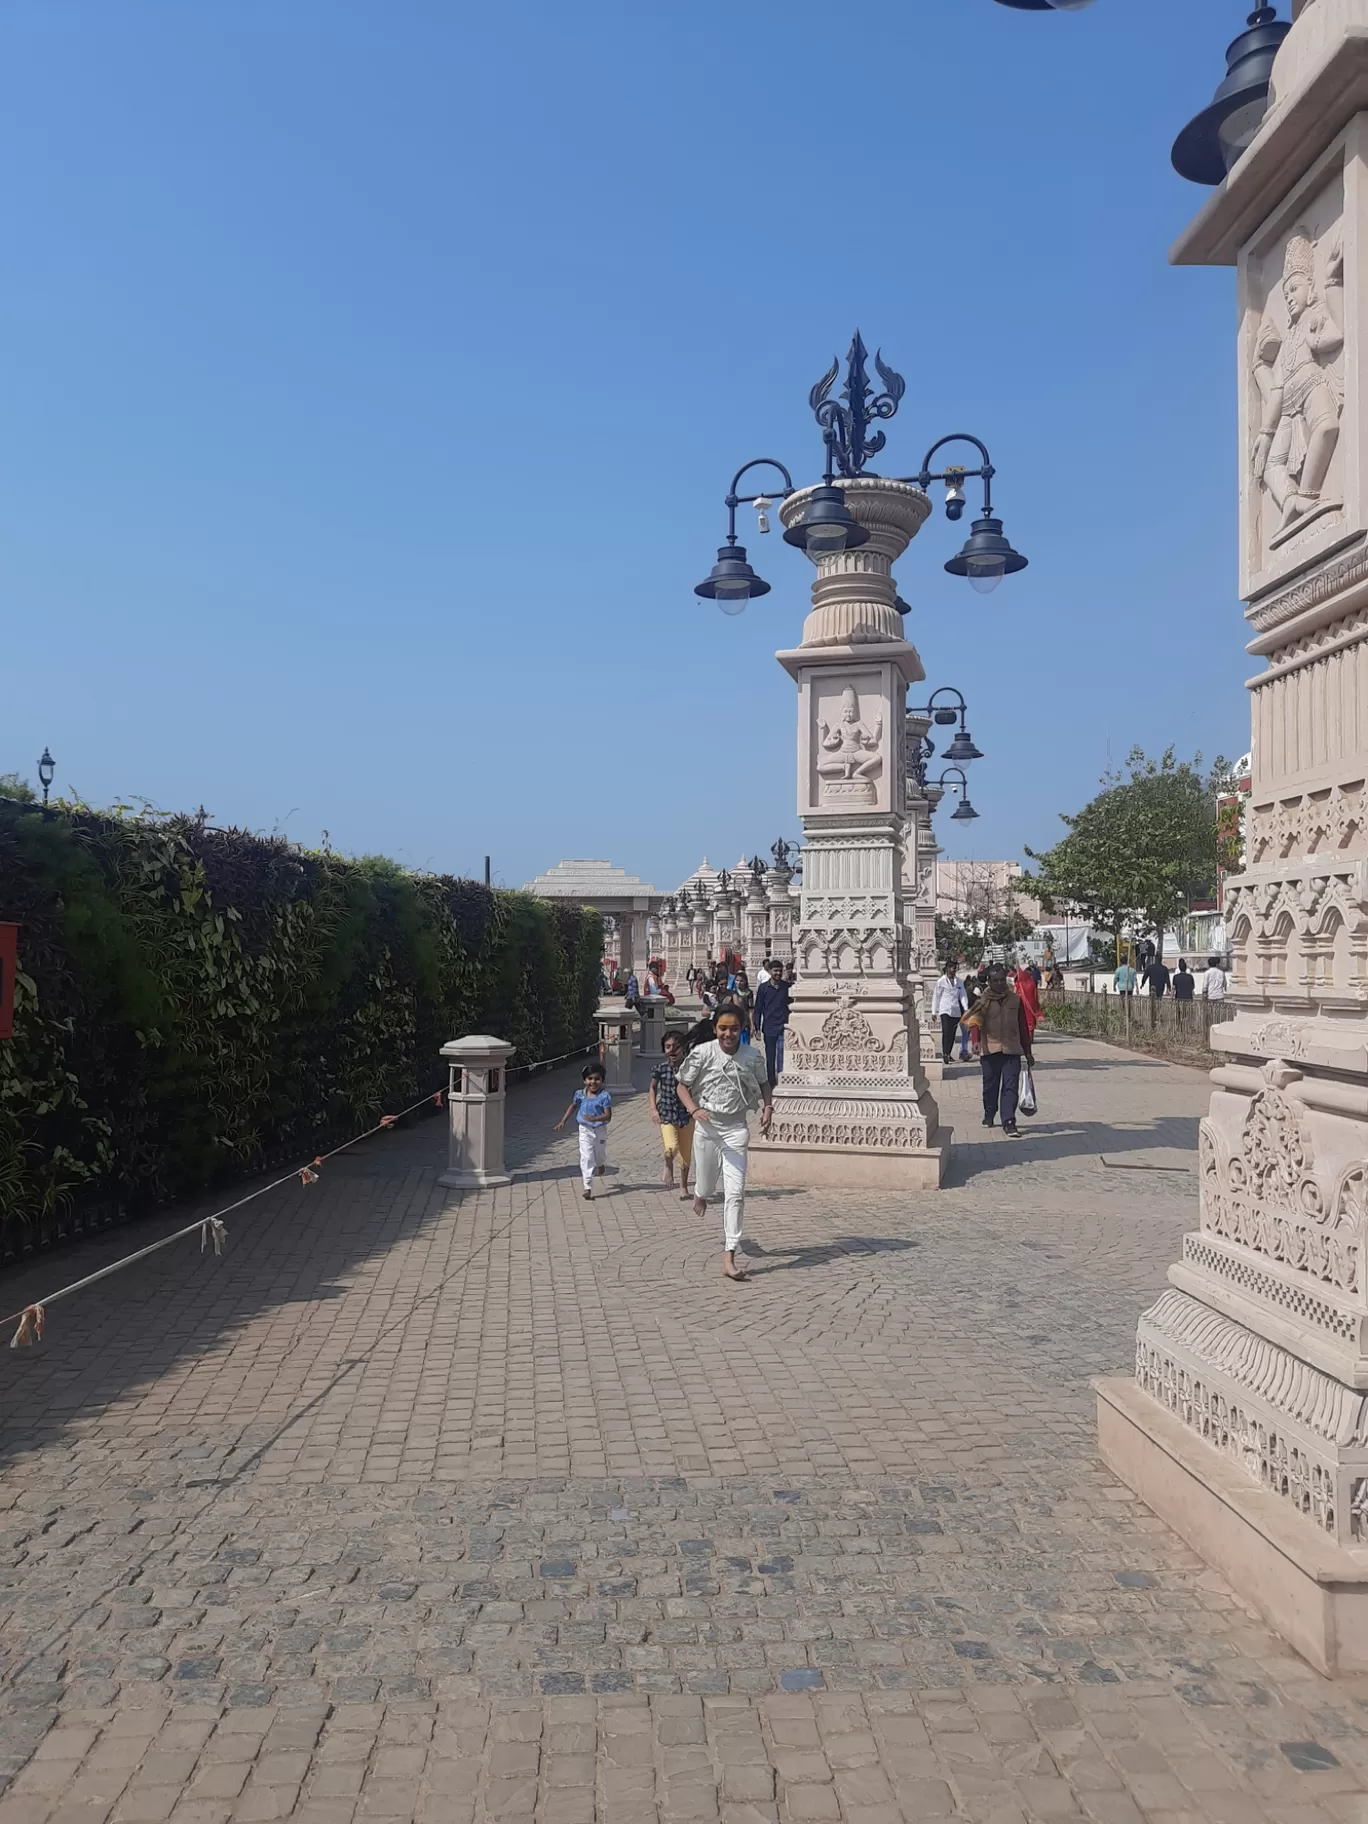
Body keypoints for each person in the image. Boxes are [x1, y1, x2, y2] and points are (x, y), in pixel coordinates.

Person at [676, 1005, 773, 1282]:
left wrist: (768, 1107)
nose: (728, 1034)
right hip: (707, 1129)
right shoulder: (703, 1053)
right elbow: (682, 1085)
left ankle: (729, 1255)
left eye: (734, 1028)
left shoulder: (752, 1056)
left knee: (735, 1192)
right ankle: (701, 1193)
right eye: (722, 1028)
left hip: (736, 1130)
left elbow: (764, 1083)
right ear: (715, 1028)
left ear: (742, 1029)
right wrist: (694, 1110)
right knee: (705, 1184)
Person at [966, 963, 1034, 1138]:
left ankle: (1009, 1121)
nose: (999, 984)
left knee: (1010, 1087)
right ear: (989, 981)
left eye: (1002, 980)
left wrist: (1028, 1051)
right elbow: (975, 1022)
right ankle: (989, 1113)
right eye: (995, 981)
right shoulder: (983, 1001)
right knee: (990, 1087)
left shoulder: (1015, 1000)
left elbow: (1023, 1027)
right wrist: (975, 1041)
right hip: (990, 1050)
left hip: (1012, 1049)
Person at [554, 1062, 613, 1200]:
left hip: (599, 1129)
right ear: (584, 1080)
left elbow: (608, 1116)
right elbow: (573, 1106)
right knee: (586, 1157)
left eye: (597, 1079)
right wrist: (563, 1120)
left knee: (599, 1155)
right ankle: (587, 1187)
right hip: (584, 1130)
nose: (593, 1082)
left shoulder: (605, 1096)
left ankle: (600, 1164)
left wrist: (595, 1118)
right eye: (590, 1079)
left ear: (602, 1081)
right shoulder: (579, 1094)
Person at [650, 1030, 695, 1199]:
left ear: (684, 1049)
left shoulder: (692, 1069)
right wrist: (653, 1108)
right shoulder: (660, 1069)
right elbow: (652, 1087)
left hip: (686, 1116)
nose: (672, 1050)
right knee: (671, 1147)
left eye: (676, 1047)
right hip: (667, 1114)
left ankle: (683, 1187)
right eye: (668, 1047)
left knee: (685, 1155)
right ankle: (668, 1164)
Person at [753, 967, 791, 1083]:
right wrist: (756, 1027)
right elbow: (758, 1008)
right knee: (770, 1056)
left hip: (783, 1025)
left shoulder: (786, 987)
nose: (778, 973)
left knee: (781, 1055)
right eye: (775, 971)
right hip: (769, 1027)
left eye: (779, 971)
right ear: (770, 972)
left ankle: (781, 1079)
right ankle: (771, 1081)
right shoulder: (763, 988)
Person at [931, 962, 968, 1065]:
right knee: (946, 1031)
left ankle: (948, 1052)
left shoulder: (959, 982)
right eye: (951, 967)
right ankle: (945, 1054)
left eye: (954, 968)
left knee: (952, 1033)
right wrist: (934, 1011)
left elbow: (963, 996)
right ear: (947, 968)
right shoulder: (941, 982)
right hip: (945, 1009)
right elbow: (936, 996)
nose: (953, 970)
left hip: (956, 1011)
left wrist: (965, 1008)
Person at [1014, 960, 1042, 1045]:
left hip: (1022, 1005)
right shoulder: (1032, 983)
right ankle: (1030, 1039)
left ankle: (1023, 1039)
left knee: (1022, 1021)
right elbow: (1035, 996)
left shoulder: (1019, 983)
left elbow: (1015, 993)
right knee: (1030, 1022)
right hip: (1031, 1006)